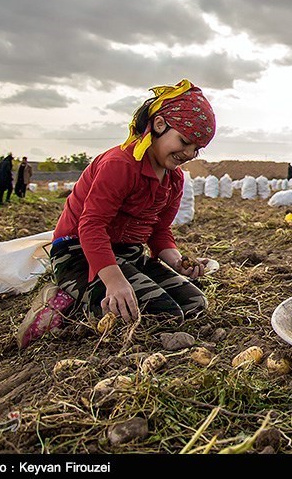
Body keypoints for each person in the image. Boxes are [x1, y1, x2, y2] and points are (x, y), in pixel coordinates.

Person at [16, 79, 217, 349]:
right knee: (162, 314)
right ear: (159, 125)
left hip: (128, 254)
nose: (189, 153)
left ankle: (98, 292)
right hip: (79, 254)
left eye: (197, 148)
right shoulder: (120, 164)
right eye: (184, 141)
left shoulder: (174, 180)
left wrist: (179, 262)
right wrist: (114, 281)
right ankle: (65, 305)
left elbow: (159, 232)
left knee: (195, 304)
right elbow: (91, 226)